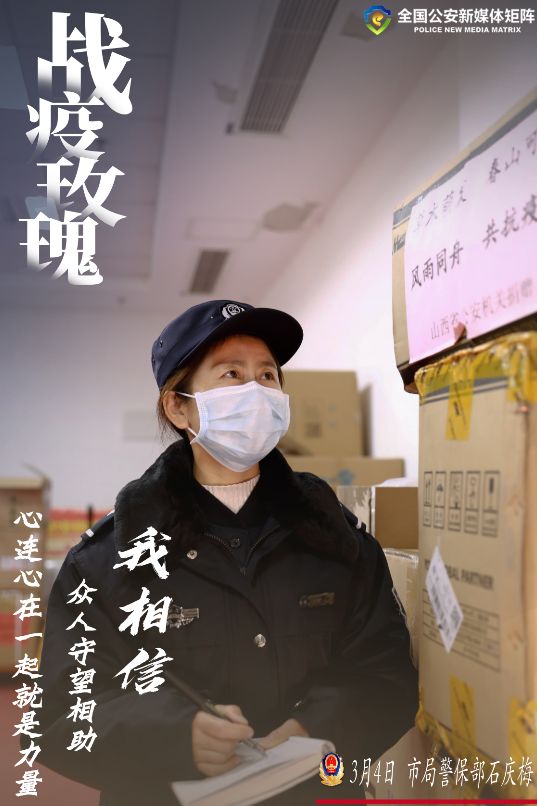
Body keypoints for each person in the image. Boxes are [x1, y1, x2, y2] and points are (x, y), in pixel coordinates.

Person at [33, 299, 419, 806]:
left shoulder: (335, 537)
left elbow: (386, 676)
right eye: (232, 374)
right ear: (178, 406)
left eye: (267, 375)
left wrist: (311, 729)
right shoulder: (109, 558)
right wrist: (172, 735)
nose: (256, 391)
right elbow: (61, 716)